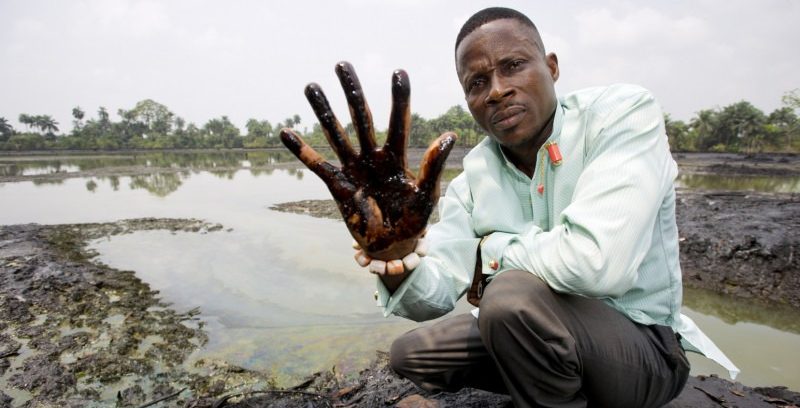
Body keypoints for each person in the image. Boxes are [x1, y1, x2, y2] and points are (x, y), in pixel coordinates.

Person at [281, 6, 738, 408]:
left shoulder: (619, 115)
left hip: (642, 348)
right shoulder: (477, 171)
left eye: (514, 65)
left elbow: (598, 265)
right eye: (477, 82)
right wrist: (397, 256)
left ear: (552, 67)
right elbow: (439, 288)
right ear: (468, 100)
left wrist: (492, 252)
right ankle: (544, 375)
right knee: (412, 353)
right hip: (543, 330)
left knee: (507, 297)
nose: (497, 91)